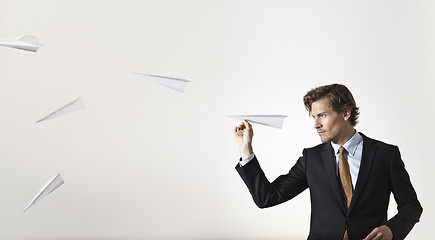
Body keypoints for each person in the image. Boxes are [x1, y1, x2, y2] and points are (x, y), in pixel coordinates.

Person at [233, 84, 422, 240]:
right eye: (314, 117)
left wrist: (392, 230)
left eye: (322, 115)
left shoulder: (385, 155)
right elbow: (267, 197)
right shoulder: (311, 159)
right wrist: (246, 149)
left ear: (345, 113)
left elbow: (411, 206)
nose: (316, 124)